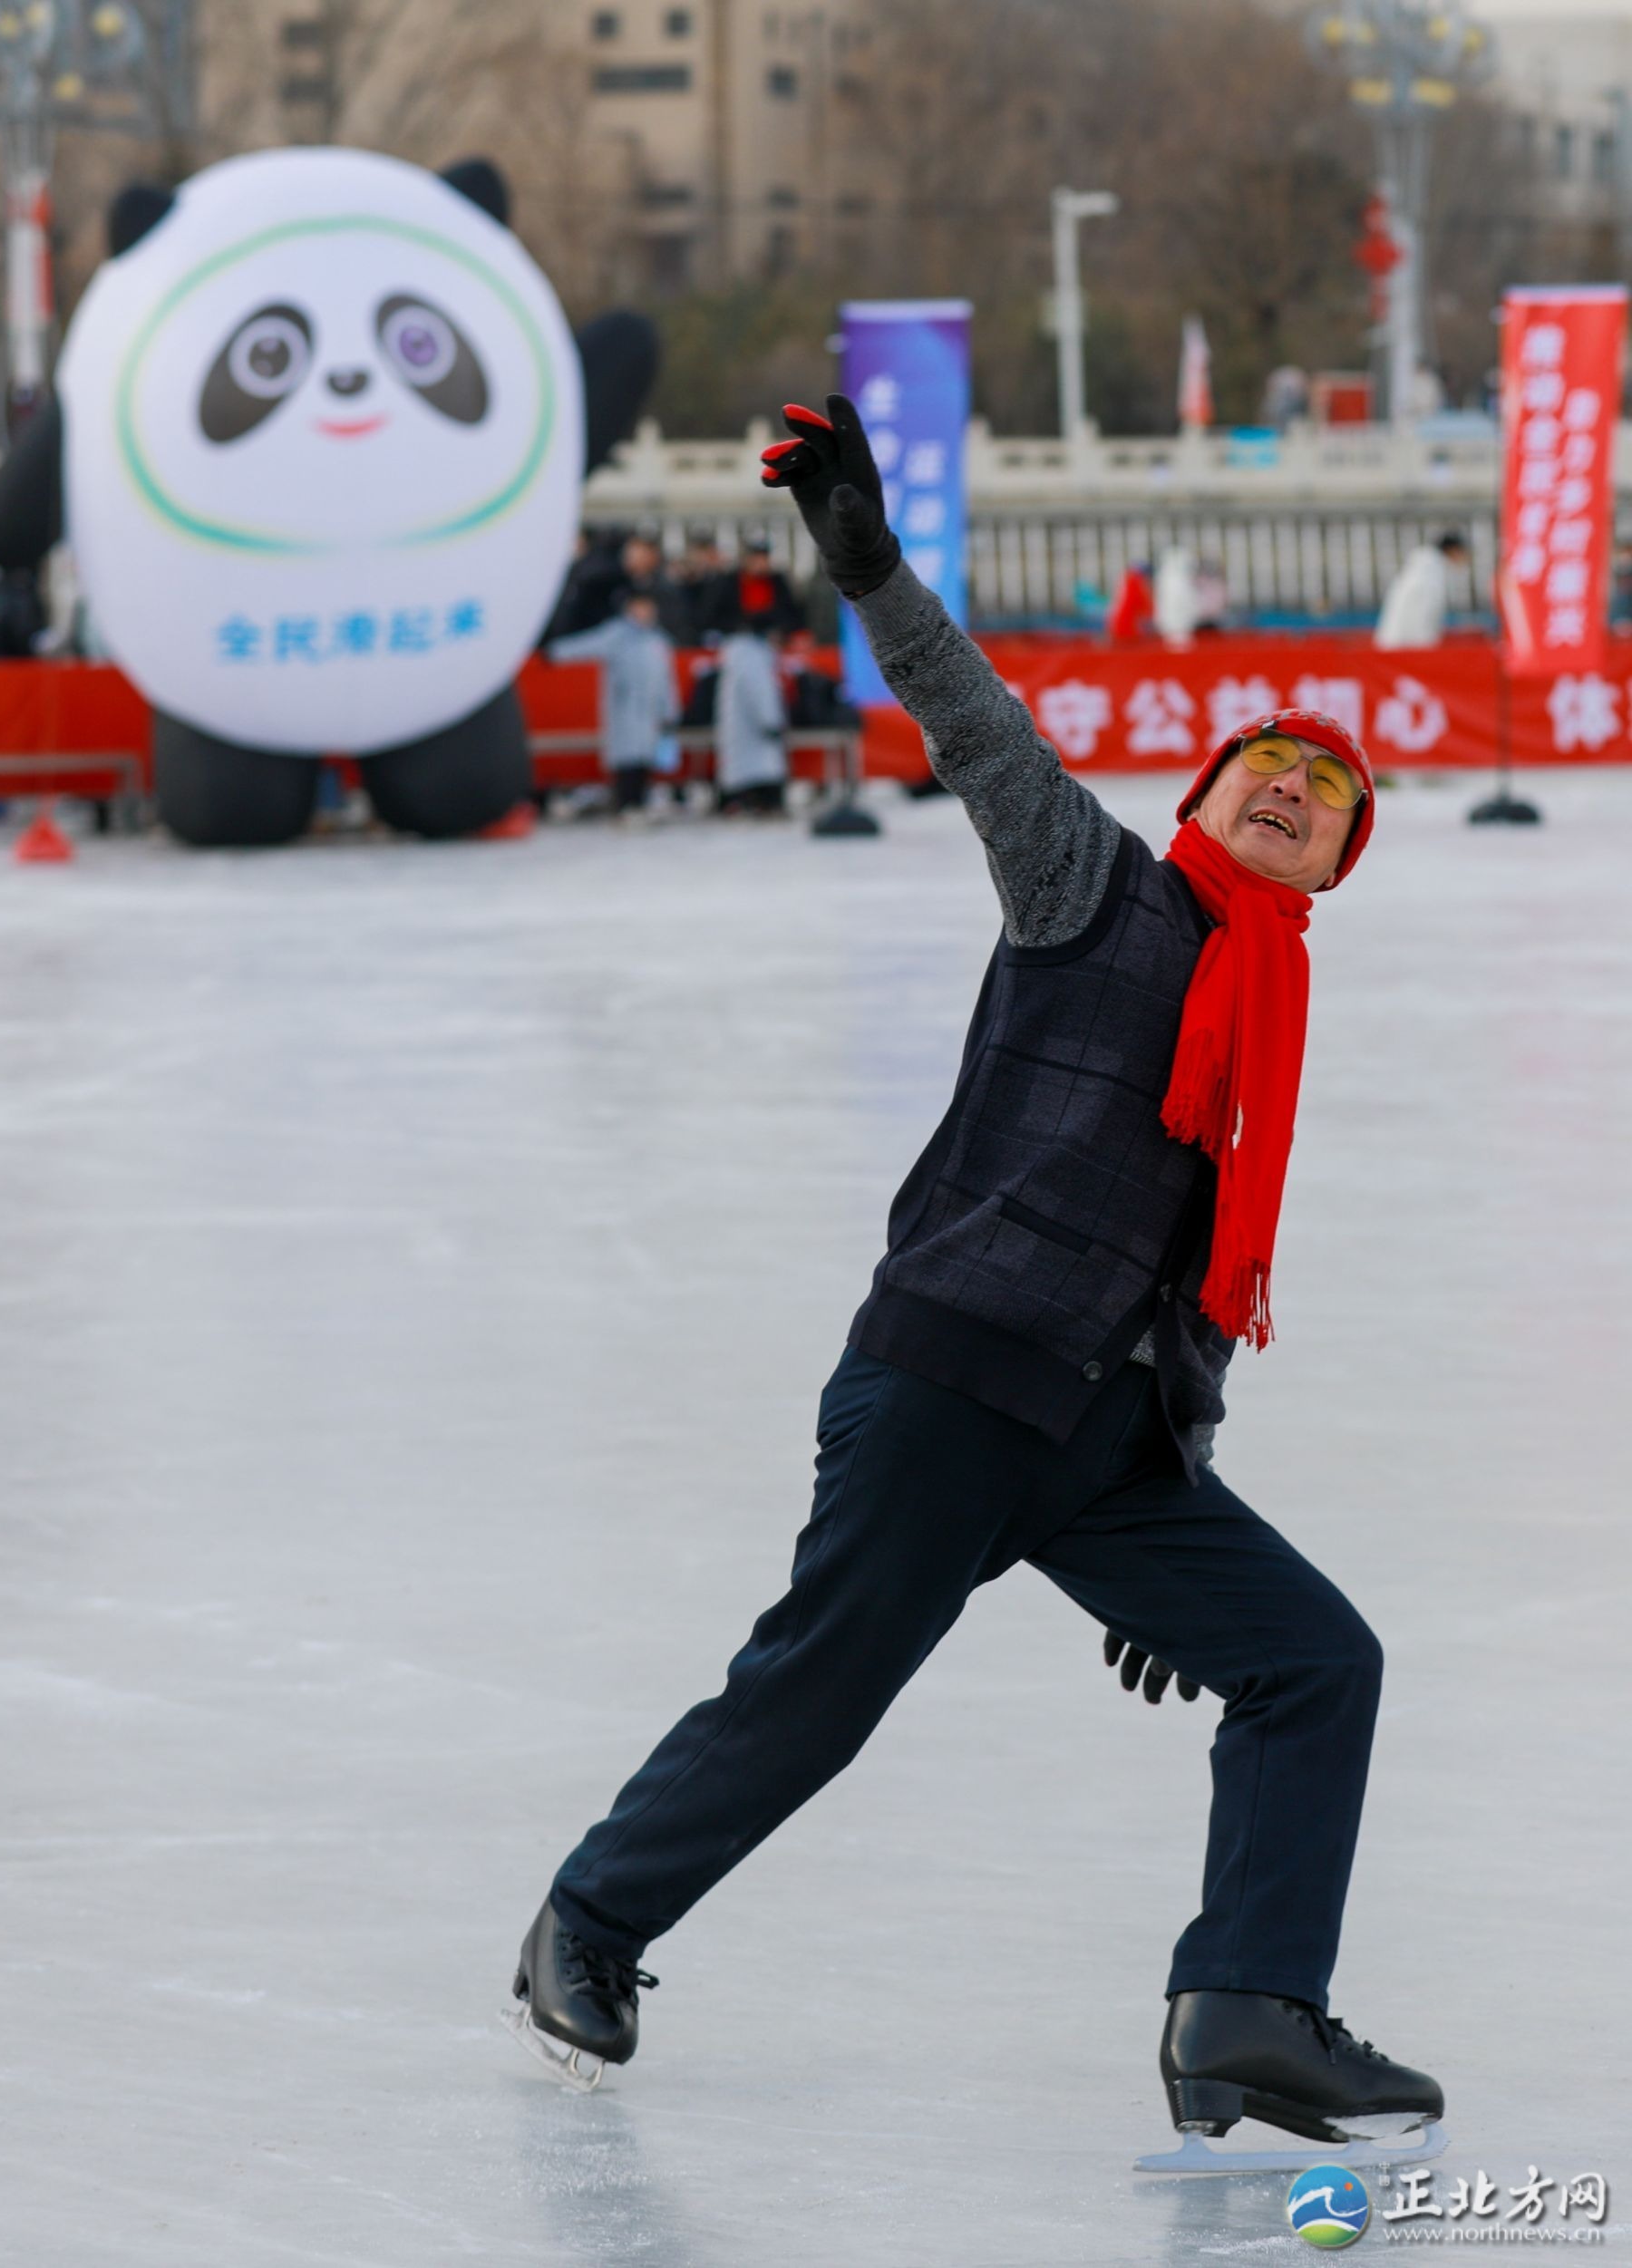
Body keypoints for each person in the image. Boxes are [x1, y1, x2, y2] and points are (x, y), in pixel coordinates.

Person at [505, 393, 1443, 2162]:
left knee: (1316, 1660)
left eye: (1330, 798)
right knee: (822, 1689)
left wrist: (1187, 1462)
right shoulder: (1091, 886)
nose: (1296, 797)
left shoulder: (1273, 1025)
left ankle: (1244, 2005)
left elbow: (1192, 1273)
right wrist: (864, 565)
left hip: (1110, 1430)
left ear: (1340, 861)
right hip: (951, 1374)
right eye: (1273, 770)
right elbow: (975, 724)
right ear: (1208, 796)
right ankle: (589, 1924)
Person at [545, 589, 680, 819]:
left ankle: (639, 804)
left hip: (649, 713)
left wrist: (669, 710)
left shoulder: (657, 640)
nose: (645, 612)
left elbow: (666, 679)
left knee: (644, 760)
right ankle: (625, 805)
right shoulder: (617, 635)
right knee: (627, 759)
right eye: (640, 606)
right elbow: (588, 645)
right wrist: (555, 652)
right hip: (625, 709)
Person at [712, 606, 789, 816]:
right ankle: (759, 804)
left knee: (742, 770)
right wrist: (771, 721)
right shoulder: (753, 657)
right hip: (755, 731)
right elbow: (761, 693)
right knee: (758, 770)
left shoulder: (738, 654)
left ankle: (737, 802)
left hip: (740, 729)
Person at [1375, 530, 1467, 651]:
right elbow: (1423, 618)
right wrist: (1426, 653)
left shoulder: (1425, 570)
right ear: (1453, 550)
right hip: (1406, 650)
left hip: (1400, 647)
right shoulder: (1429, 577)